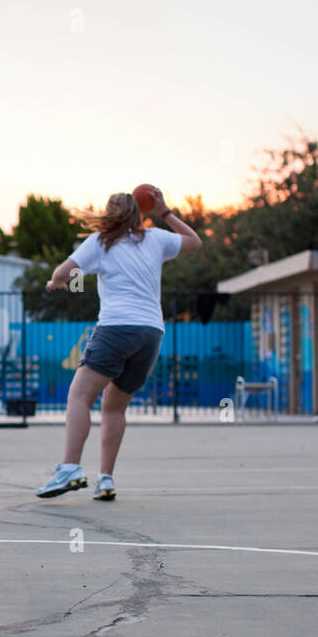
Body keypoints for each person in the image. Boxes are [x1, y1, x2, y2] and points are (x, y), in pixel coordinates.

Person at [35, 186, 201, 499]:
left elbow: (62, 272)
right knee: (114, 407)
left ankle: (70, 468)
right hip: (151, 333)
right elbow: (196, 242)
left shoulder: (99, 242)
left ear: (110, 213)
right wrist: (164, 212)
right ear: (141, 214)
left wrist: (55, 283)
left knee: (79, 396)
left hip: (116, 328)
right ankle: (106, 478)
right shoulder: (156, 239)